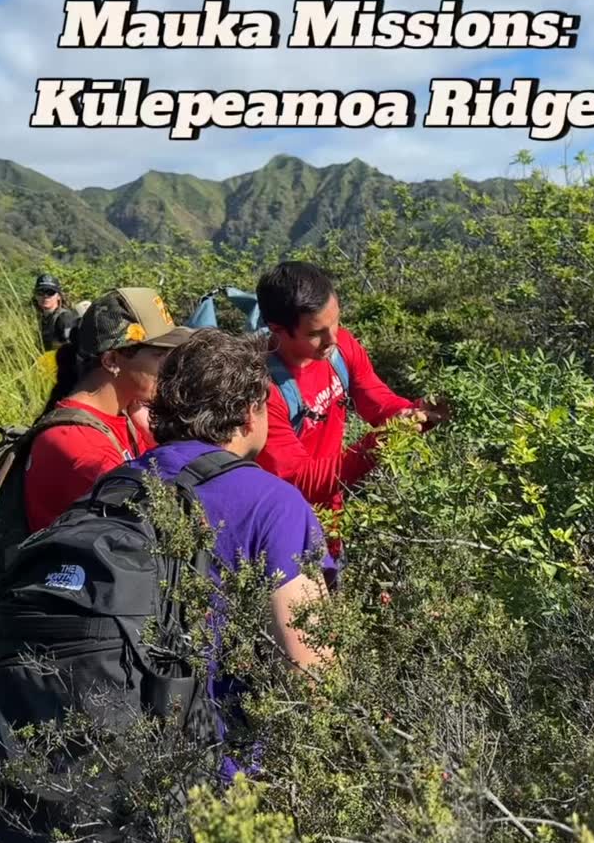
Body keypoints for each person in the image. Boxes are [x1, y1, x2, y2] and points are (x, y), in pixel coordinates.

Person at [129, 327, 335, 778]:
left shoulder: (115, 483)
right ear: (248, 414)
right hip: (217, 777)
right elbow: (314, 678)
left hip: (104, 762)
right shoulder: (274, 504)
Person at [255, 261, 450, 512]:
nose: (332, 339)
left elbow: (375, 398)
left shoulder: (338, 350)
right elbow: (301, 480)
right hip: (286, 523)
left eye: (335, 321)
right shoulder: (262, 390)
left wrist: (415, 412)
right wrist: (380, 442)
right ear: (278, 330)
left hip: (333, 511)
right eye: (316, 333)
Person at [24, 287, 191, 532]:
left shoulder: (125, 416)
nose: (171, 368)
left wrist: (150, 433)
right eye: (159, 355)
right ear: (111, 360)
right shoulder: (78, 445)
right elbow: (164, 526)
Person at [32, 272, 78, 350]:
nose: (45, 296)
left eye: (50, 292)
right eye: (41, 292)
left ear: (59, 296)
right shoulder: (41, 319)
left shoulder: (65, 318)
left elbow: (72, 351)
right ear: (36, 296)